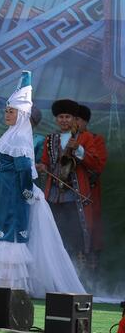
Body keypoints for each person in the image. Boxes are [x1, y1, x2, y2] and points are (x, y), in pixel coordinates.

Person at [37, 99, 106, 269]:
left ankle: (80, 274)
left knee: (76, 235)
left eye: (67, 117)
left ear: (75, 119)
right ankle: (57, 270)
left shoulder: (86, 138)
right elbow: (46, 162)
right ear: (56, 119)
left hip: (75, 196)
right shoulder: (50, 139)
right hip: (53, 196)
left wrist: (79, 149)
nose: (64, 120)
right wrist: (42, 166)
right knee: (56, 233)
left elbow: (96, 164)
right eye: (60, 117)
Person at [0, 71, 36, 290]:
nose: (7, 114)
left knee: (8, 234)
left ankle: (6, 285)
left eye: (11, 111)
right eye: (6, 110)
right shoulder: (10, 134)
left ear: (21, 114)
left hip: (11, 196)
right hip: (0, 194)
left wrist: (27, 193)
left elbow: (24, 170)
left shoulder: (20, 137)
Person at [76, 104, 106, 269]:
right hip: (69, 194)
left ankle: (93, 273)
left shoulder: (95, 139)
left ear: (86, 121)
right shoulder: (63, 138)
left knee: (91, 228)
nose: (75, 122)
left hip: (89, 192)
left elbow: (98, 166)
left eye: (78, 119)